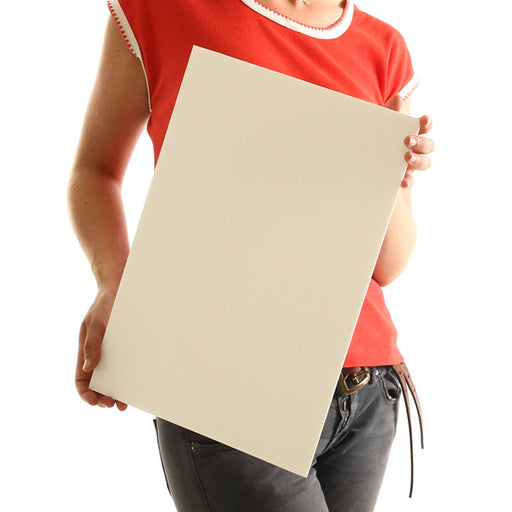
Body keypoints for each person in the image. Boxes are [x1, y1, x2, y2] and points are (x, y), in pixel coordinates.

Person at [67, 1, 434, 511]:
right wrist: (114, 283)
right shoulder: (163, 9)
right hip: (229, 383)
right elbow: (95, 171)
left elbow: (388, 265)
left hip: (368, 389)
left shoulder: (384, 47)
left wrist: (388, 171)